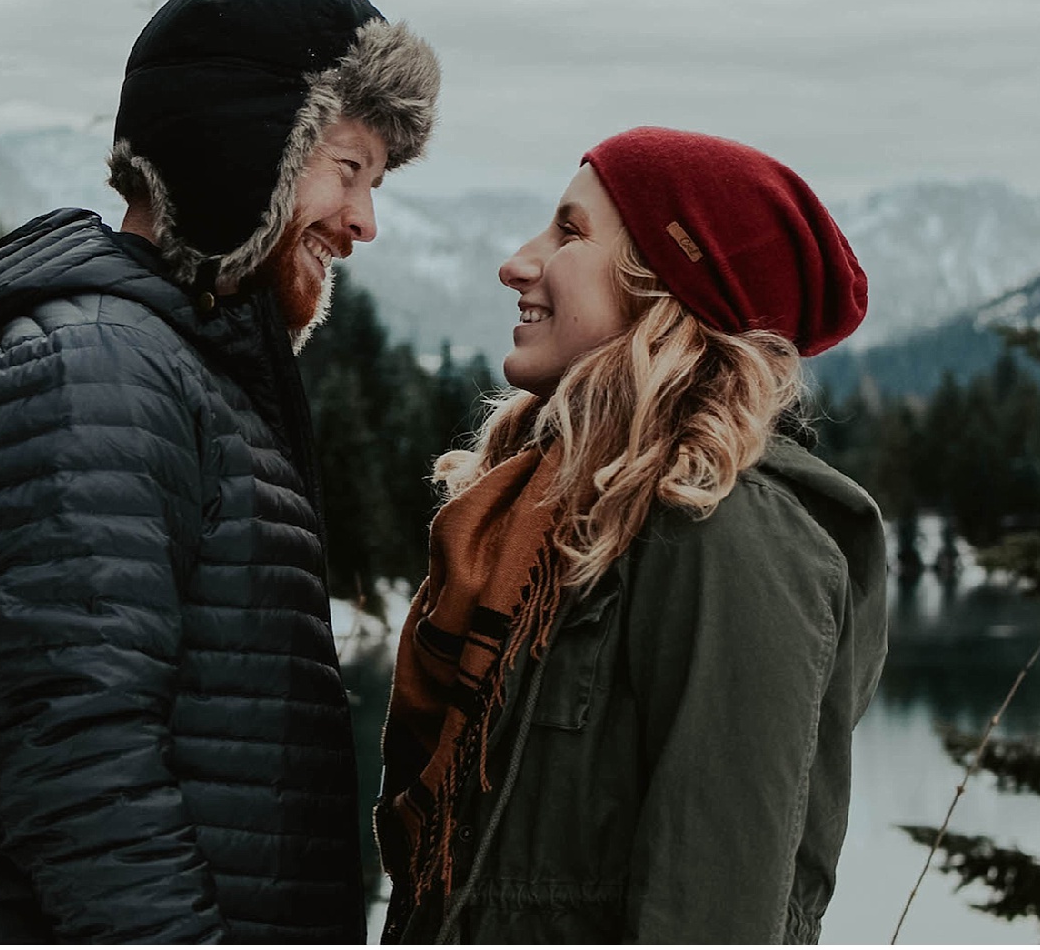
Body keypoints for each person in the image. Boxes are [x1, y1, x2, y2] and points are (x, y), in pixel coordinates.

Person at [0, 0, 441, 943]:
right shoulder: (90, 366)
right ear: (248, 152)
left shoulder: (177, 368)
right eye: (347, 170)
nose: (361, 221)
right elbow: (83, 766)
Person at [377, 126, 888, 944]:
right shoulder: (556, 516)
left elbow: (712, 909)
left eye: (570, 233)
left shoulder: (722, 531)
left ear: (668, 287)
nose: (518, 261)